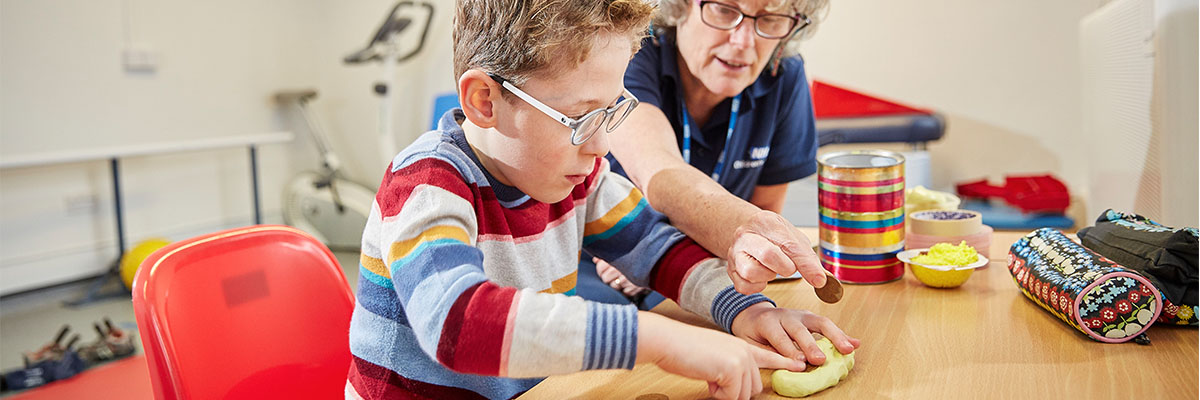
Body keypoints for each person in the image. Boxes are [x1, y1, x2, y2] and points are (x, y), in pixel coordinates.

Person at [345, 1, 857, 399]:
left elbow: (657, 248)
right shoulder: (426, 185)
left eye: (611, 112)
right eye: (581, 117)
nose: (601, 145)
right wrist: (658, 338)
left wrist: (748, 311)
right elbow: (456, 323)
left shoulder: (577, 178)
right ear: (485, 101)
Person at [573, 0, 858, 365]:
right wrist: (743, 226)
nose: (743, 41)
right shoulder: (630, 51)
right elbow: (659, 172)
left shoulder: (783, 75)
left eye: (771, 19)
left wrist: (749, 299)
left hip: (690, 268)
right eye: (724, 9)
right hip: (591, 266)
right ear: (681, 6)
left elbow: (763, 217)